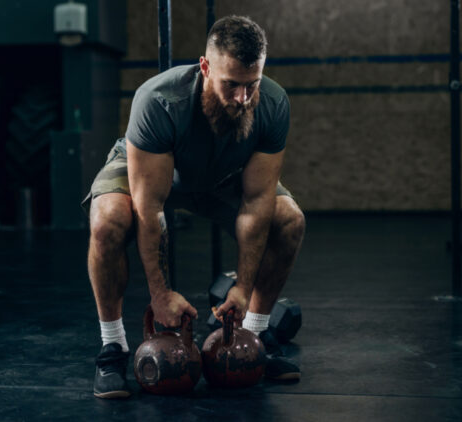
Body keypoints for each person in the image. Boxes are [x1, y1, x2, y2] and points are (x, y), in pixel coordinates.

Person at [83, 15, 305, 399]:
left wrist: (242, 288)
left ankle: (254, 335)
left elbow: (256, 202)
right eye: (231, 85)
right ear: (205, 67)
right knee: (108, 220)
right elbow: (150, 206)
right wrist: (160, 294)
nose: (242, 98)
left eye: (251, 85)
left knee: (289, 220)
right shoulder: (159, 100)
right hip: (149, 167)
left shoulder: (272, 103)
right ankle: (112, 346)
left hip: (222, 173)